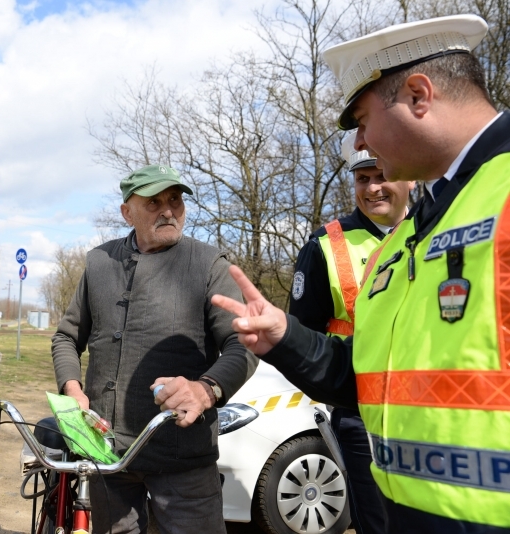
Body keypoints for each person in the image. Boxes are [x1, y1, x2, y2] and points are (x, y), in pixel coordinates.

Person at [211, 14, 510, 533]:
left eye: (364, 121)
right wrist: (285, 336)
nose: (361, 143)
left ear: (419, 95)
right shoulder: (410, 230)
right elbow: (367, 376)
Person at [52, 164, 258, 534]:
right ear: (127, 212)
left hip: (183, 460)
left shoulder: (209, 265)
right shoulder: (99, 262)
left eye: (176, 200)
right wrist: (72, 388)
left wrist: (206, 389)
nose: (168, 210)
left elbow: (243, 345)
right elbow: (66, 337)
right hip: (107, 455)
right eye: (154, 202)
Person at [289, 131, 414, 534]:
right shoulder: (325, 245)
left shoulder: (440, 228)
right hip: (362, 415)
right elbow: (303, 341)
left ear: (409, 176)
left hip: (433, 409)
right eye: (363, 178)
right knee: (378, 523)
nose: (373, 187)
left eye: (381, 174)